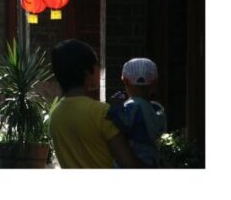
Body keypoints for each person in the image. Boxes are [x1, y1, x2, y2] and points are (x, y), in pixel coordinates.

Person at [48, 39, 141, 168]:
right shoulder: (102, 112)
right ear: (87, 72)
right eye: (97, 65)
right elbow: (127, 162)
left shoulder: (55, 115)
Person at [107, 58, 167, 167]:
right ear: (154, 84)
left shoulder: (132, 106)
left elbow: (122, 123)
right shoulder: (156, 108)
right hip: (151, 158)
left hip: (135, 158)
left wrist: (115, 106)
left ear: (125, 82)